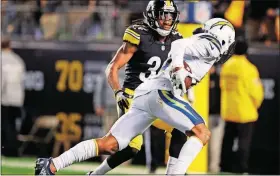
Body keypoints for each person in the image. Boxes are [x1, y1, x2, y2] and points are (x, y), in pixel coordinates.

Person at [34, 17, 236, 175]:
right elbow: (178, 47)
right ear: (223, 37)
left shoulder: (204, 47)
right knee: (202, 133)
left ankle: (51, 165)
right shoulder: (212, 45)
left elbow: (185, 61)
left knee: (110, 143)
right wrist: (178, 69)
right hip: (161, 93)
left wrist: (185, 85)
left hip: (146, 94)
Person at [90, 0, 187, 174]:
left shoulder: (177, 40)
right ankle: (94, 173)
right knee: (130, 148)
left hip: (157, 97)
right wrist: (119, 92)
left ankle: (175, 172)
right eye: (163, 14)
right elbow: (112, 68)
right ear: (152, 15)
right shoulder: (138, 35)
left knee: (183, 128)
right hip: (134, 97)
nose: (167, 19)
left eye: (171, 15)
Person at [219, 37, 264, 173]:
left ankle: (224, 166)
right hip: (245, 111)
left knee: (227, 140)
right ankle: (241, 168)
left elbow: (222, 86)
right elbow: (256, 92)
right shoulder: (249, 68)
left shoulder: (226, 66)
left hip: (228, 110)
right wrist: (256, 105)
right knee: (243, 142)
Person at [1, 36, 26, 156]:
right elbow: (22, 81)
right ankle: (12, 150)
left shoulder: (1, 59)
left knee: (5, 126)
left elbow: (1, 81)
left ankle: (6, 150)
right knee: (12, 126)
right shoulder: (18, 60)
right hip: (17, 99)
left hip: (4, 98)